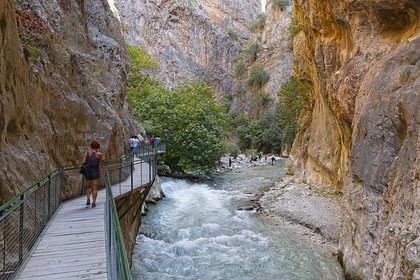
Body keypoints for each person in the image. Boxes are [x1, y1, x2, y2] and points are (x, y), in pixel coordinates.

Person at [82, 140, 102, 208]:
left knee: (88, 187)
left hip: (88, 171)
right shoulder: (99, 154)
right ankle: (94, 202)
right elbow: (100, 162)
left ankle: (88, 199)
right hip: (95, 171)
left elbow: (83, 162)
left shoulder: (86, 153)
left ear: (91, 146)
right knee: (95, 188)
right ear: (98, 146)